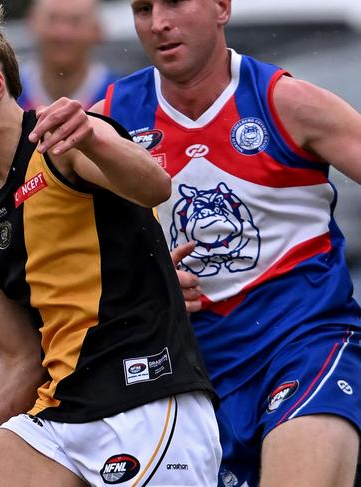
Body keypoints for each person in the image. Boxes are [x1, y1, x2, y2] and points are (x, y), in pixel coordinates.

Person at [0, 4, 220, 487]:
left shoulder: (64, 139)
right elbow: (19, 364)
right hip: (59, 416)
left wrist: (95, 140)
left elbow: (154, 186)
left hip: (147, 400)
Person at [101, 1, 361, 486]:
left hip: (306, 346)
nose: (158, 22)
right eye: (142, 8)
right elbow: (63, 257)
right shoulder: (111, 119)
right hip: (190, 376)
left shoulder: (286, 102)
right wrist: (143, 285)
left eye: (175, 2)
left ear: (222, 7)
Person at [0, 0, 118, 394]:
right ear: (32, 26)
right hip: (9, 292)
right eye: (53, 20)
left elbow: (151, 193)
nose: (62, 32)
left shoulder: (119, 97)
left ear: (97, 30)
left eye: (74, 21)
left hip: (92, 301)